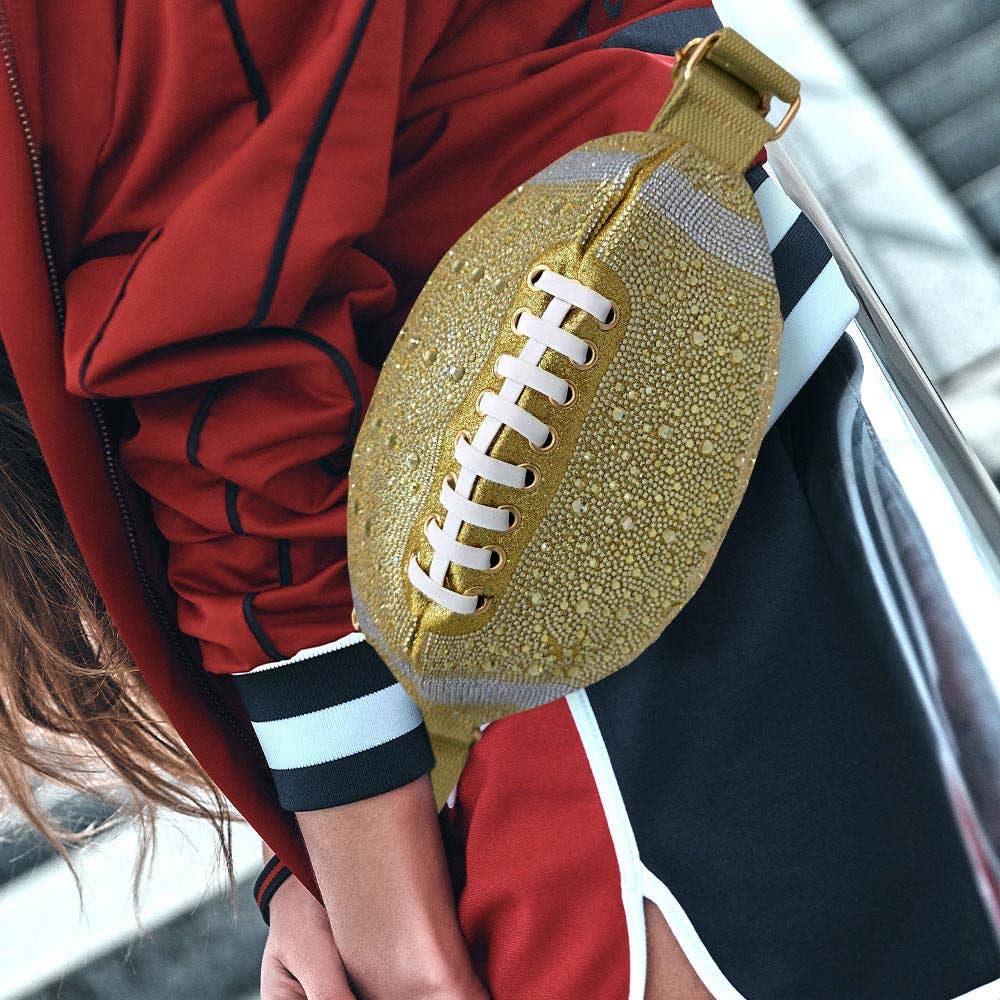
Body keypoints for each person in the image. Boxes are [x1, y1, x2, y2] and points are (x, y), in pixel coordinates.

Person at [1, 2, 998, 998]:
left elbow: (211, 280)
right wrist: (324, 845)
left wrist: (377, 901)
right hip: (569, 443)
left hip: (524, 526)